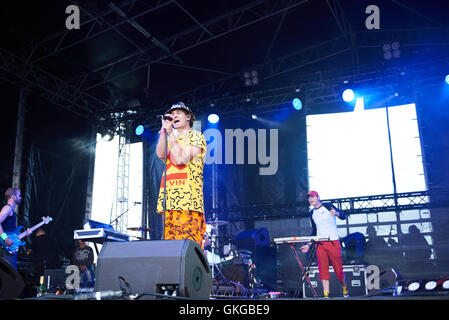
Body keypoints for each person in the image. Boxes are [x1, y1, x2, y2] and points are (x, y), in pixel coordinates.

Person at [156, 102, 207, 249]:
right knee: (169, 250)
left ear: (188, 117)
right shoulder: (171, 139)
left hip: (188, 202)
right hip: (169, 202)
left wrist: (171, 133)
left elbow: (180, 159)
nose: (174, 116)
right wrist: (164, 130)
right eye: (172, 114)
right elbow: (160, 154)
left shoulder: (196, 136)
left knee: (188, 249)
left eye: (178, 113)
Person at [300, 190, 349, 298]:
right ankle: (326, 294)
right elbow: (314, 231)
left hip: (333, 242)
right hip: (320, 244)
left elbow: (343, 216)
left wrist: (336, 213)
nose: (310, 199)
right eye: (309, 198)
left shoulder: (328, 206)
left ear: (318, 197)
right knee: (323, 269)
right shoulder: (312, 213)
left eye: (312, 197)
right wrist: (308, 245)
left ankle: (345, 288)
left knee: (338, 269)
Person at [0, 188, 30, 270]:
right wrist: (5, 238)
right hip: (4, 247)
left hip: (9, 247)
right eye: (19, 195)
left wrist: (25, 233)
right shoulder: (7, 208)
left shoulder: (12, 210)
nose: (21, 197)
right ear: (13, 197)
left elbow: (12, 233)